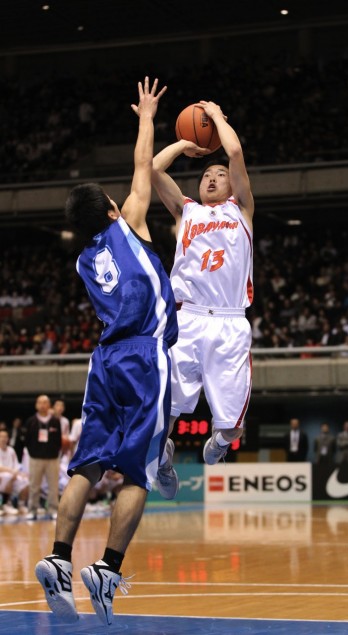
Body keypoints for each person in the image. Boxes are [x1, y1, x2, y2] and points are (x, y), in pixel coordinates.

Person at [35, 77, 177, 626]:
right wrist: (147, 116)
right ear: (114, 209)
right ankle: (108, 568)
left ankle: (58, 558)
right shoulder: (131, 225)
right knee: (139, 473)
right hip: (144, 356)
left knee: (87, 465)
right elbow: (143, 165)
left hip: (103, 362)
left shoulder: (83, 260)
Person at [151, 99, 254, 499]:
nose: (212, 178)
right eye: (207, 174)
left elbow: (235, 151)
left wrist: (219, 118)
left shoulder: (242, 210)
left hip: (229, 321)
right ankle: (163, 457)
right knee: (163, 414)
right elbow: (153, 169)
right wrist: (184, 144)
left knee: (232, 427)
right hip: (187, 319)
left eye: (220, 175)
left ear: (232, 184)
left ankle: (220, 442)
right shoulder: (186, 212)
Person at [23, 394, 62, 520]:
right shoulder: (31, 421)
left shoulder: (55, 421)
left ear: (49, 405)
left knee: (53, 486)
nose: (42, 405)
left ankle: (53, 509)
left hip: (52, 459)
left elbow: (58, 440)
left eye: (45, 402)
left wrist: (54, 452)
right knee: (34, 486)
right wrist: (33, 452)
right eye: (40, 402)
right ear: (36, 405)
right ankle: (32, 510)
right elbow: (27, 440)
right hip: (36, 458)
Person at [0, 429, 29, 515]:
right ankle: (5, 504)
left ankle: (21, 505)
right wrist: (12, 472)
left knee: (26, 481)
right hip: (3, 475)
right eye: (1, 436)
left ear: (8, 439)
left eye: (5, 437)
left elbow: (16, 465)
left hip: (13, 474)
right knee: (8, 477)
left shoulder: (11, 450)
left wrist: (16, 473)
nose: (3, 439)